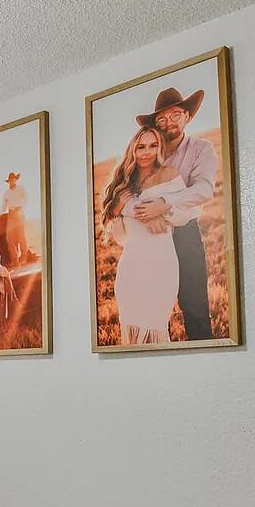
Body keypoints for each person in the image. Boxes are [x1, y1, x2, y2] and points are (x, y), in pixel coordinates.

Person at [128, 86, 216, 340]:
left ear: (187, 116)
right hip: (149, 237)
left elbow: (203, 190)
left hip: (185, 235)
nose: (169, 122)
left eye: (175, 115)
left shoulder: (201, 149)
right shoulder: (147, 149)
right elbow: (125, 188)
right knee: (150, 309)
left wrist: (163, 204)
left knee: (195, 306)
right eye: (162, 119)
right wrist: (146, 212)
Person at [100, 127, 191, 345]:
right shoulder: (123, 185)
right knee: (131, 334)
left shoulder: (169, 175)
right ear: (132, 149)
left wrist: (161, 211)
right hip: (131, 266)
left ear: (160, 147)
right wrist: (119, 208)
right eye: (141, 146)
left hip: (161, 263)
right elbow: (121, 238)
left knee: (156, 326)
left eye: (153, 145)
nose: (147, 152)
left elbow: (189, 212)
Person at [0, 171, 31, 266]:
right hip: (11, 214)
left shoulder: (21, 189)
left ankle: (23, 258)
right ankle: (15, 260)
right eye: (10, 180)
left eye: (13, 179)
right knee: (9, 238)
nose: (11, 181)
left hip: (19, 213)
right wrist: (0, 213)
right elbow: (4, 205)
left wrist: (20, 206)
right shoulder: (6, 193)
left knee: (21, 236)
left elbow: (26, 199)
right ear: (8, 181)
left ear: (15, 180)